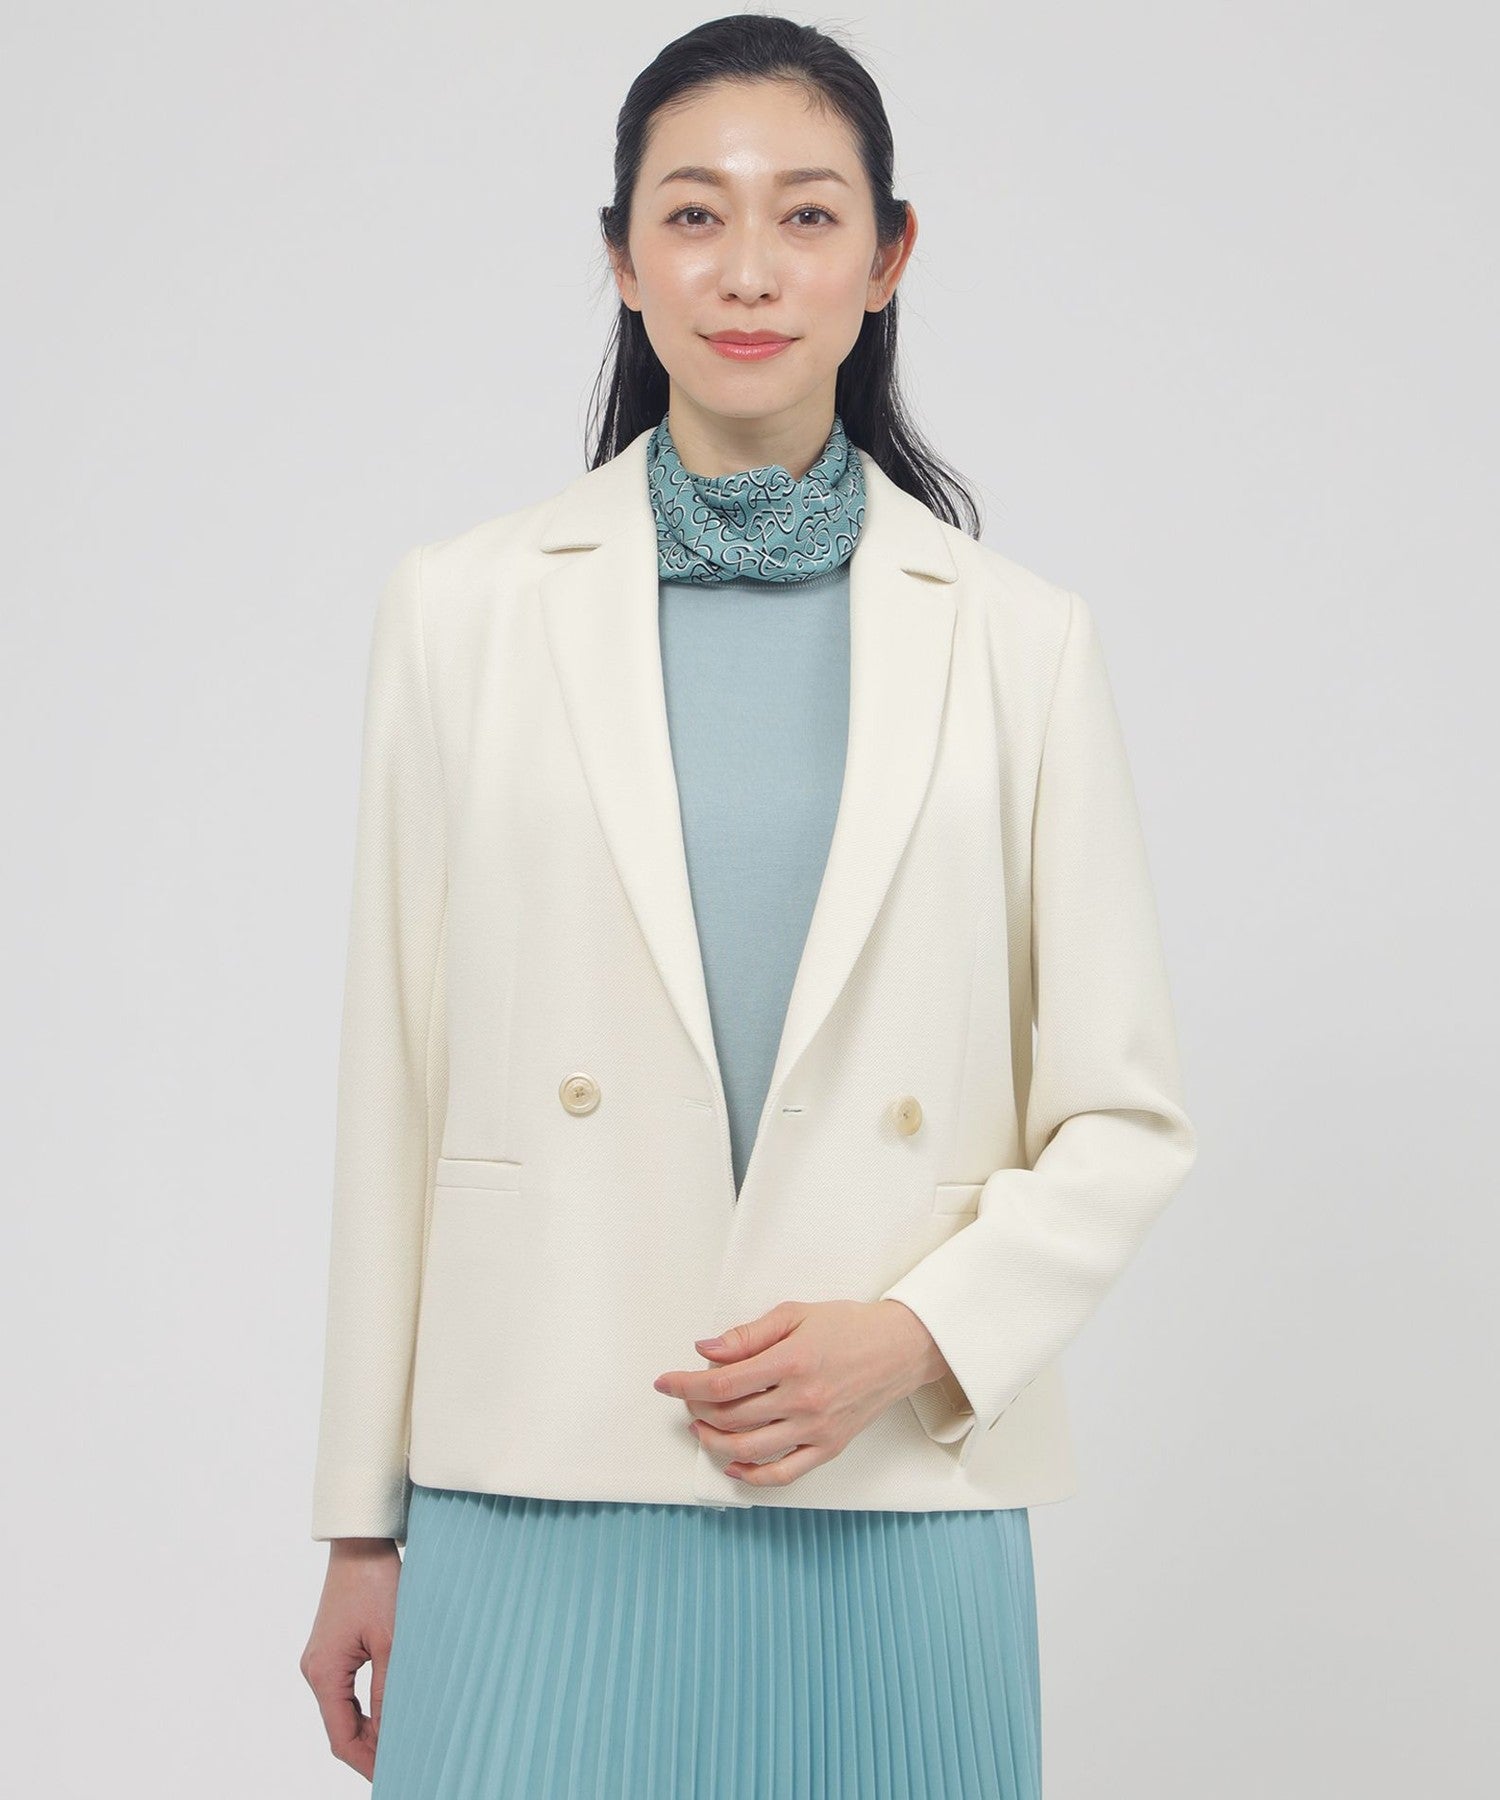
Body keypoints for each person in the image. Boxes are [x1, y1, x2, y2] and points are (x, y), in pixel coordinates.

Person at [299, 16, 1197, 1798]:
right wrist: (358, 1522)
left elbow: (1125, 1113)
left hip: (890, 1483)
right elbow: (396, 1084)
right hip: (531, 1469)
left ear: (889, 256)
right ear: (624, 259)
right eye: (695, 215)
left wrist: (918, 1335)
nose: (750, 270)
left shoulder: (1019, 639)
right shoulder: (465, 609)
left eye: (807, 214)